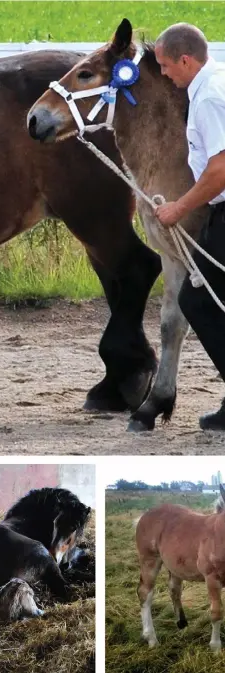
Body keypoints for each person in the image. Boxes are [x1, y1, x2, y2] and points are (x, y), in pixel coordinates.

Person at [154, 23, 225, 431]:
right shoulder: (213, 85)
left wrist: (179, 207)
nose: (164, 74)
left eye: (165, 65)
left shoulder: (210, 98)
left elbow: (220, 171)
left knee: (197, 302)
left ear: (185, 60)